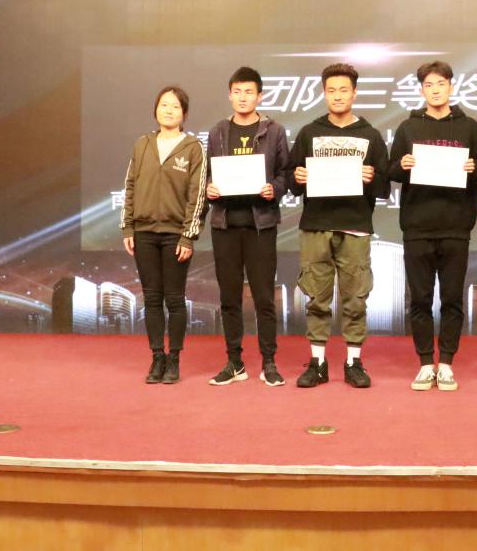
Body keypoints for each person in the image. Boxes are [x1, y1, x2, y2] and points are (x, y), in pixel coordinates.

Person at [387, 61, 477, 392]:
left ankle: (446, 363)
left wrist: (474, 167)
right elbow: (391, 169)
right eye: (429, 85)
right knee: (420, 299)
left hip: (456, 226)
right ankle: (424, 364)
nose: (435, 90)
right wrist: (403, 164)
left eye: (441, 84)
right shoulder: (408, 128)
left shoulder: (469, 126)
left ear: (451, 87)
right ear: (421, 90)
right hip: (417, 225)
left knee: (451, 299)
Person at [288, 63, 390, 388]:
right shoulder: (310, 132)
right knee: (316, 297)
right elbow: (291, 180)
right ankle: (317, 363)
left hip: (355, 225)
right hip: (316, 225)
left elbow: (385, 187)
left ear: (355, 93)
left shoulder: (370, 135)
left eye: (343, 90)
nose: (337, 96)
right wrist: (297, 177)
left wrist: (371, 178)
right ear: (324, 93)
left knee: (355, 297)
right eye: (331, 90)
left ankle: (353, 362)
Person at [204, 67, 291, 387]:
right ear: (230, 95)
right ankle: (234, 362)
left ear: (260, 96)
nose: (243, 98)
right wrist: (210, 187)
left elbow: (285, 173)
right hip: (225, 224)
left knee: (264, 297)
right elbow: (208, 174)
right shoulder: (217, 131)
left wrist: (274, 189)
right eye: (237, 92)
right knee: (229, 298)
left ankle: (269, 362)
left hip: (261, 225)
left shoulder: (274, 131)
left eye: (249, 92)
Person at [121, 86, 207, 385]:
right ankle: (157, 356)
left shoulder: (193, 147)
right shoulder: (142, 144)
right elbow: (130, 186)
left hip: (175, 235)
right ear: (155, 109)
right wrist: (128, 226)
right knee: (151, 298)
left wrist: (188, 236)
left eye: (175, 106)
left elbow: (197, 196)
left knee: (175, 299)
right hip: (143, 232)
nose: (168, 110)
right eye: (163, 105)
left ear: (184, 113)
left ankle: (174, 359)